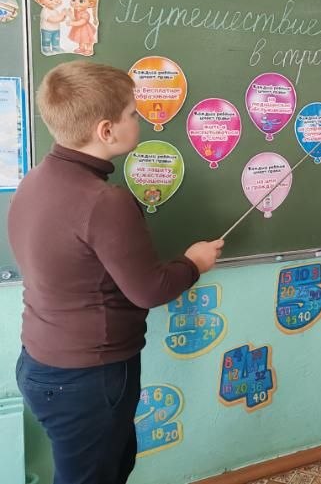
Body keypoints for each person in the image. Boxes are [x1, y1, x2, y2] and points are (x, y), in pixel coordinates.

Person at [11, 60, 224, 484]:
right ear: (106, 130)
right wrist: (194, 262)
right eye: (132, 113)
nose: (138, 119)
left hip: (41, 363)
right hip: (88, 377)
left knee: (106, 467)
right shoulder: (104, 201)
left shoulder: (33, 180)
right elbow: (149, 289)